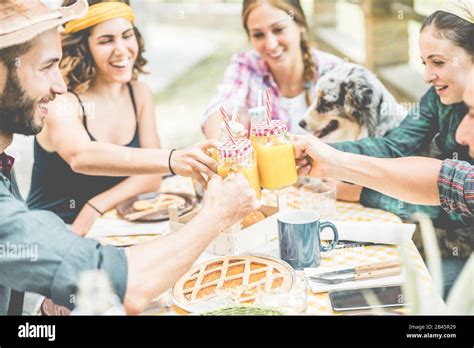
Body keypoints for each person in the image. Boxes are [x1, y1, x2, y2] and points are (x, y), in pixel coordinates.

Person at [0, 0, 257, 315]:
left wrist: (42, 305)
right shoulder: (65, 104)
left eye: (127, 35)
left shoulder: (4, 162)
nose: (59, 85)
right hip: (70, 240)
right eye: (45, 66)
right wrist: (215, 213)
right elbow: (128, 286)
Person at [25, 0, 214, 236]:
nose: (122, 49)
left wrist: (95, 206)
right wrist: (172, 158)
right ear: (83, 47)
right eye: (106, 41)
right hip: (56, 230)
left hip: (108, 223)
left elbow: (151, 176)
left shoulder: (139, 93)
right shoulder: (61, 100)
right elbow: (81, 156)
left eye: (127, 35)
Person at [327, 2, 473, 233]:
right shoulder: (439, 96)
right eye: (424, 63)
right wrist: (323, 152)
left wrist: (364, 194)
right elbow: (394, 147)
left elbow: (458, 208)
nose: (427, 76)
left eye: (438, 62)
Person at [294, 65, 474, 216]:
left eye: (472, 113)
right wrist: (331, 159)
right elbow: (448, 183)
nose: (460, 135)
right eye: (424, 62)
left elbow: (449, 201)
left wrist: (362, 192)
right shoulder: (436, 94)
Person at [201, 0, 342, 138]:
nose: (271, 45)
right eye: (258, 34)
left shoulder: (335, 72)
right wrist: (222, 143)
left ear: (300, 24)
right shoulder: (246, 65)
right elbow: (221, 107)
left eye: (278, 29)